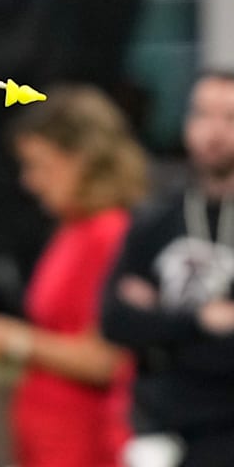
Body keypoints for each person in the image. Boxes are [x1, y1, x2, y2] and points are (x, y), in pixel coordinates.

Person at [0, 84, 147, 467]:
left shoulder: (109, 233)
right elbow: (60, 334)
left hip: (87, 447)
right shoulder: (73, 228)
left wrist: (12, 339)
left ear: (83, 159)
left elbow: (106, 358)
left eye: (40, 165)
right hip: (47, 445)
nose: (30, 181)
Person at [100, 71, 234, 467]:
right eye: (203, 115)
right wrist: (202, 320)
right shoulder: (156, 220)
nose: (214, 131)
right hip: (163, 429)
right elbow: (116, 321)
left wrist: (159, 315)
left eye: (228, 117)